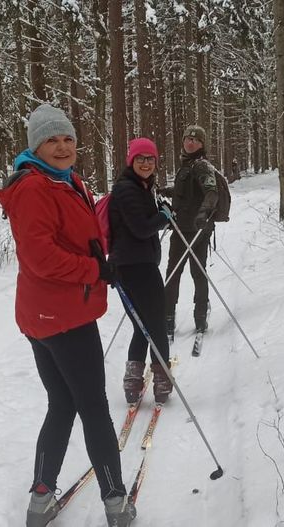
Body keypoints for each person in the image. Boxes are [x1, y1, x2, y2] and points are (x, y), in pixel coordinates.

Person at [0, 104, 135, 527]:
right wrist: (95, 270)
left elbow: (76, 234)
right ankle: (115, 502)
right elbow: (41, 257)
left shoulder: (64, 180)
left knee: (62, 402)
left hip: (45, 316)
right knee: (92, 406)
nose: (61, 145)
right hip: (63, 316)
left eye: (67, 138)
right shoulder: (36, 187)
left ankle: (40, 499)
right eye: (51, 139)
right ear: (35, 145)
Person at [108, 137, 174, 404]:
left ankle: (133, 382)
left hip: (131, 265)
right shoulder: (127, 189)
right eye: (140, 159)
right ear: (131, 161)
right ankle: (161, 379)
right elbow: (141, 228)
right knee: (156, 324)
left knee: (141, 325)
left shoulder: (141, 186)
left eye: (150, 159)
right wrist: (164, 215)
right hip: (137, 267)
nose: (146, 163)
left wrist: (159, 211)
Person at [160, 124, 218, 341]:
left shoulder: (202, 166)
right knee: (172, 273)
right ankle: (167, 318)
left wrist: (203, 214)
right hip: (179, 228)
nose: (190, 142)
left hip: (197, 230)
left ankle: (200, 316)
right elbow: (186, 192)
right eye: (187, 138)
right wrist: (167, 191)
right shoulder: (186, 166)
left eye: (196, 140)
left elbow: (211, 193)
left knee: (197, 272)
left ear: (202, 145)